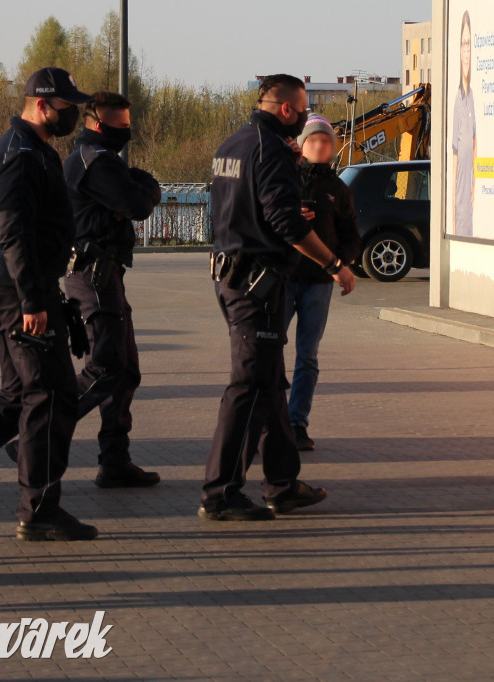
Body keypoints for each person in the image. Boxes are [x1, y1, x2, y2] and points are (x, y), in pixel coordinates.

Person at [0, 67, 97, 541]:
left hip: (11, 287)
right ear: (40, 104)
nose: (71, 114)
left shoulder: (31, 149)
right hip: (16, 292)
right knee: (50, 394)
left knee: (18, 395)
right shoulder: (19, 155)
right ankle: (39, 510)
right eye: (66, 106)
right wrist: (34, 299)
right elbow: (13, 230)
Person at [202, 74, 355, 521]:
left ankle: (283, 484)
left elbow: (247, 208)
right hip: (256, 283)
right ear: (286, 109)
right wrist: (334, 265)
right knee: (249, 388)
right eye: (304, 109)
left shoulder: (233, 144)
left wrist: (287, 211)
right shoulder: (271, 150)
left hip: (235, 275)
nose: (306, 118)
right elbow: (286, 227)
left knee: (270, 385)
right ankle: (220, 494)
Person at [58, 90, 162, 488]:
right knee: (106, 367)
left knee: (125, 370)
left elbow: (143, 192)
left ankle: (115, 460)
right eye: (118, 126)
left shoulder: (106, 161)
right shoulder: (94, 162)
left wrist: (141, 187)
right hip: (92, 273)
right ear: (95, 123)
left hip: (107, 274)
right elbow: (138, 205)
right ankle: (41, 435)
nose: (124, 133)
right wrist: (138, 191)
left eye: (127, 126)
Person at [284, 115, 361, 451]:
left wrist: (341, 264)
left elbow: (351, 236)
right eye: (313, 140)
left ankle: (296, 423)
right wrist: (290, 219)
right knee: (268, 353)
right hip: (282, 278)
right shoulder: (283, 180)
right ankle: (267, 422)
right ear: (302, 144)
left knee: (308, 357)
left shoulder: (338, 189)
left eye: (326, 141)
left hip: (319, 282)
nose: (319, 145)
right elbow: (263, 220)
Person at [452, 10, 476, 237]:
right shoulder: (458, 100)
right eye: (463, 43)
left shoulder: (473, 98)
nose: (466, 50)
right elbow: (455, 156)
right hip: (461, 204)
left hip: (471, 200)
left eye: (469, 43)